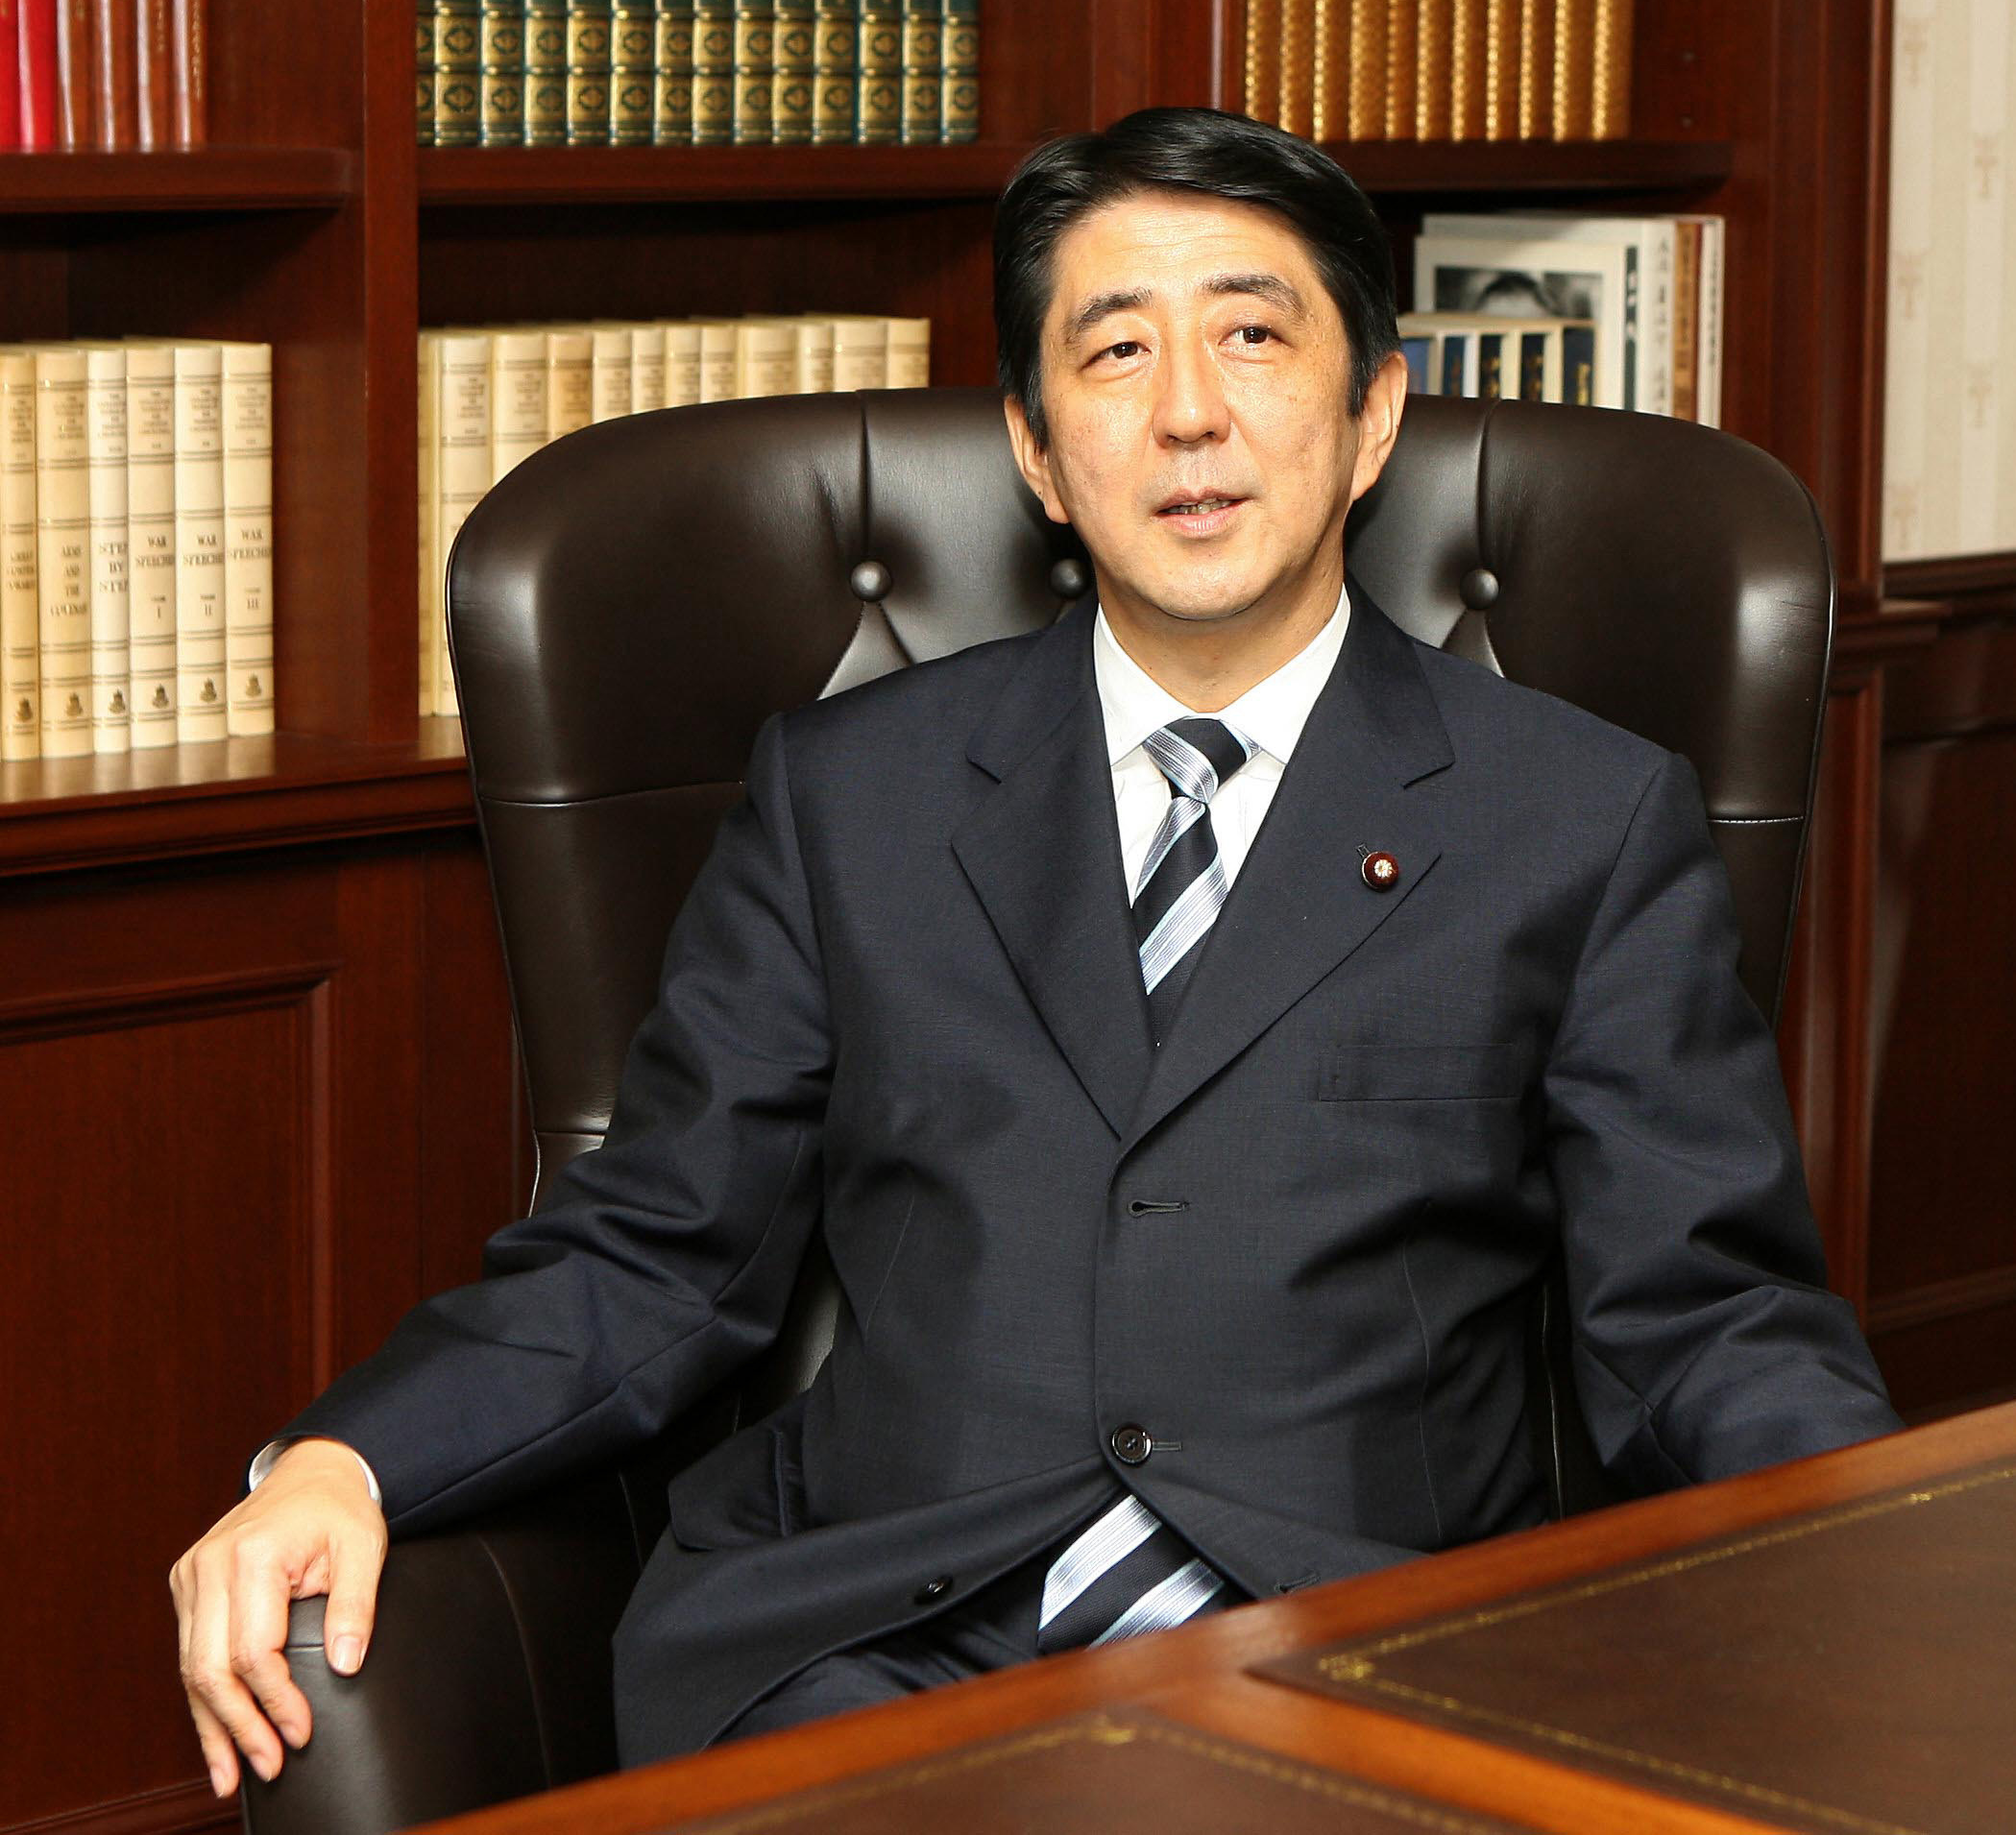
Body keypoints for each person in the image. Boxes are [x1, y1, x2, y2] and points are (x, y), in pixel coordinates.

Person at [170, 106, 1899, 1797]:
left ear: (1372, 412)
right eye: (1117, 353)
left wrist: (1906, 1559)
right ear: (1035, 450)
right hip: (876, 1654)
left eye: (1252, 335)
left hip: (1354, 1655)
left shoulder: (1577, 818)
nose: (1191, 415)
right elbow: (660, 1250)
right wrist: (339, 1455)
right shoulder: (851, 791)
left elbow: (1704, 1316)